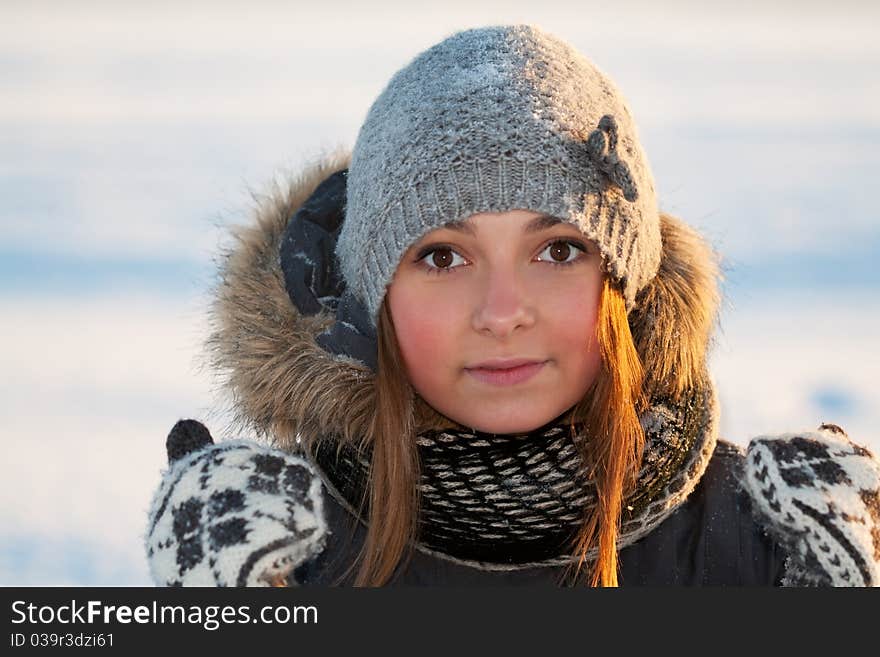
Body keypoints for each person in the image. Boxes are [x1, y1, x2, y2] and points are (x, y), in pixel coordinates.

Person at [144, 24, 880, 587]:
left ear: (625, 282)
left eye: (557, 250)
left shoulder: (764, 542)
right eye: (442, 256)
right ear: (372, 301)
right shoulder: (284, 549)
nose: (502, 312)